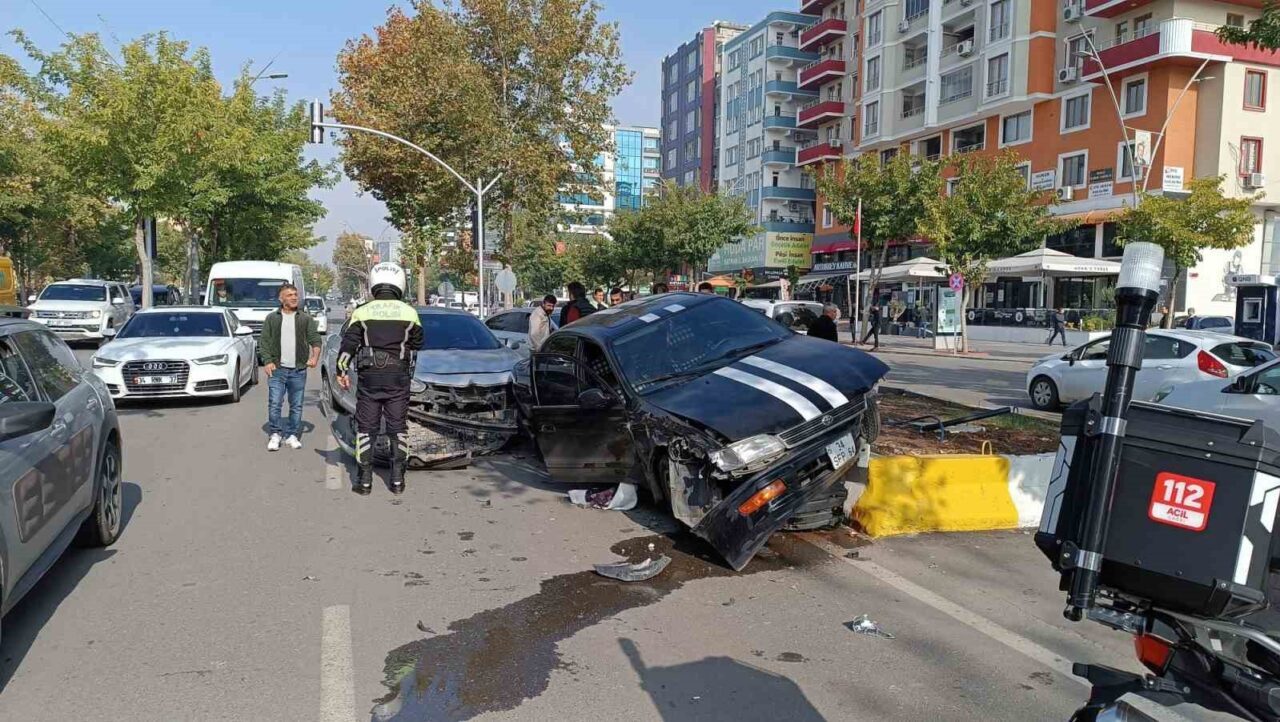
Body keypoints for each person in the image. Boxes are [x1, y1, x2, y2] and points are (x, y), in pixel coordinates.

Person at [337, 263, 423, 496]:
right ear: (400, 284)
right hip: (398, 378)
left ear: (374, 283)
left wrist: (341, 372)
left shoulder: (362, 312)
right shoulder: (409, 313)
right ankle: (397, 481)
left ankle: (364, 481)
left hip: (370, 378)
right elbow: (419, 342)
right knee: (397, 428)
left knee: (366, 428)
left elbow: (347, 346)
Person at [261, 283, 323, 452]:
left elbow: (315, 340)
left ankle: (292, 435)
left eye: (295, 294)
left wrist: (314, 357)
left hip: (298, 370)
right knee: (275, 403)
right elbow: (264, 341)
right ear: (281, 299)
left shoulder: (304, 318)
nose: (294, 297)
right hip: (277, 369)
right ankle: (275, 434)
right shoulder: (272, 318)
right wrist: (267, 361)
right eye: (289, 295)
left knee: (296, 405)